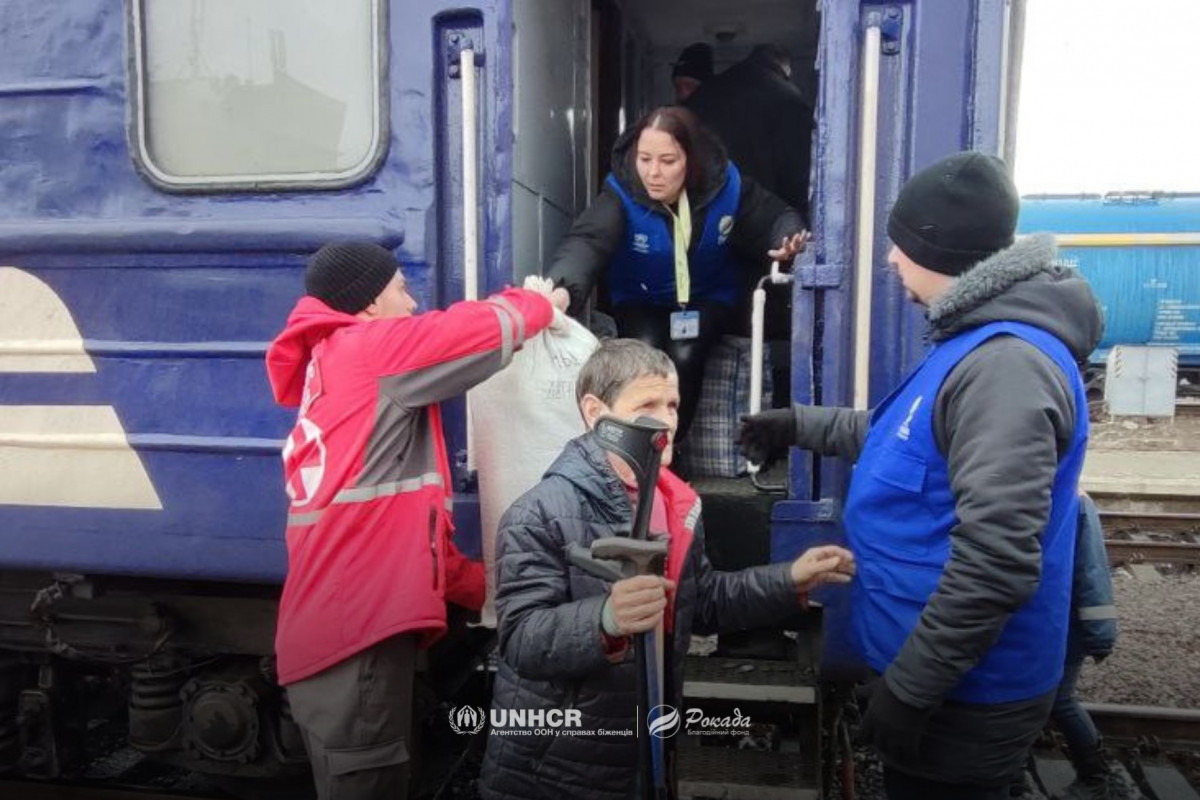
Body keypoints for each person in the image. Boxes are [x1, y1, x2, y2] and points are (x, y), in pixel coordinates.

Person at [738, 152, 1104, 799]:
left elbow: (995, 564)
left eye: (898, 246)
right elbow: (900, 440)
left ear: (937, 252)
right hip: (944, 681)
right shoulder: (974, 345)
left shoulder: (1006, 368)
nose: (890, 260)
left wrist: (910, 690)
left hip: (967, 696)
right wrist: (796, 423)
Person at [479, 338, 855, 800]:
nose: (667, 420)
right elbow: (519, 639)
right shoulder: (540, 511)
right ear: (597, 412)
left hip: (645, 750)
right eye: (648, 404)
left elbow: (703, 602)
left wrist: (787, 579)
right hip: (554, 767)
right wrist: (604, 620)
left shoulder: (676, 504)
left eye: (673, 404)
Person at [265, 242, 564, 800]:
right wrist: (541, 302)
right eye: (402, 288)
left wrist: (487, 589)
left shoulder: (337, 362)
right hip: (355, 637)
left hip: (345, 625)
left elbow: (398, 523)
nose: (412, 302)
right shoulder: (366, 348)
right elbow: (473, 329)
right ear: (370, 302)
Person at [546, 106, 806, 443]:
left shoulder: (726, 186)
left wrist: (788, 240)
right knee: (643, 354)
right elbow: (587, 241)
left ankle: (668, 451)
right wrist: (561, 289)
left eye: (668, 161)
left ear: (691, 160)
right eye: (644, 159)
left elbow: (776, 218)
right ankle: (636, 449)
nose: (653, 172)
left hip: (706, 295)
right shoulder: (622, 192)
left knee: (684, 351)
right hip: (640, 298)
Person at [685, 44, 816, 405]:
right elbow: (800, 180)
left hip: (703, 246)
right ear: (782, 67)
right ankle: (768, 426)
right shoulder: (789, 101)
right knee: (764, 330)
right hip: (766, 233)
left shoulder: (702, 100)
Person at [1050, 493, 1141, 800]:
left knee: (1058, 700)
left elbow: (1092, 570)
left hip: (1063, 626)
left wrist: (1100, 632)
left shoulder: (1075, 500)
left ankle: (1097, 777)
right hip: (1038, 625)